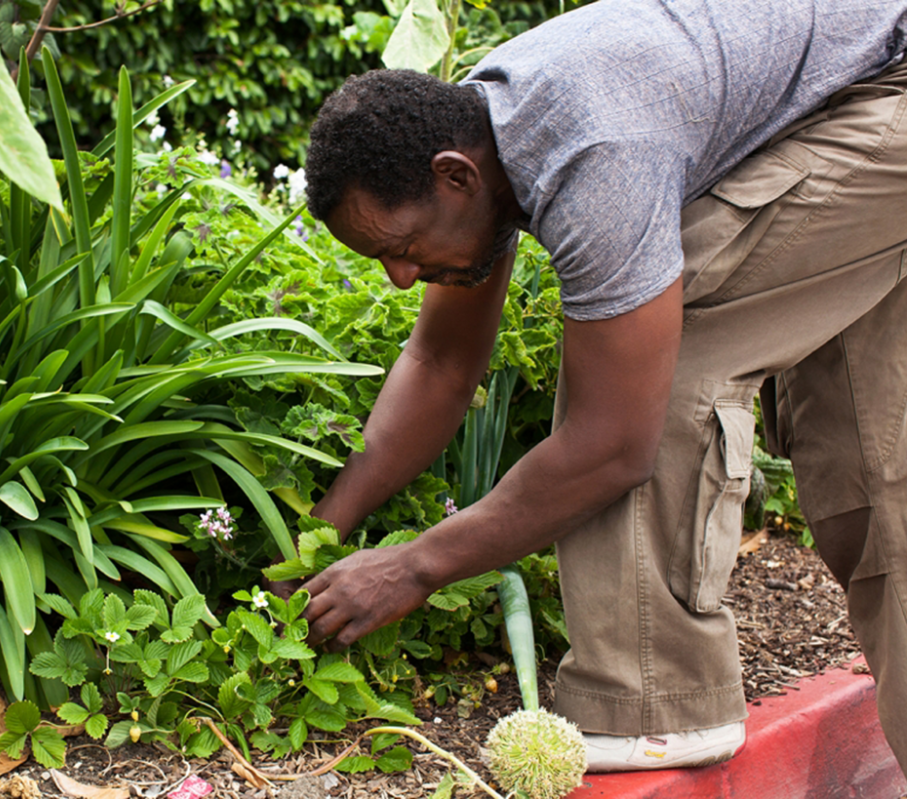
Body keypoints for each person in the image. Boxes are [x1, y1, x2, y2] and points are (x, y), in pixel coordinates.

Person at [295, 0, 907, 775]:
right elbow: (443, 364)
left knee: (665, 333)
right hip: (850, 84)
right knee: (878, 470)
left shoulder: (596, 155)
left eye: (405, 247)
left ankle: (656, 705)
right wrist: (316, 538)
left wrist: (411, 566)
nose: (402, 275)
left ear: (456, 176)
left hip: (886, 87)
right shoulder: (479, 137)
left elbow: (612, 444)